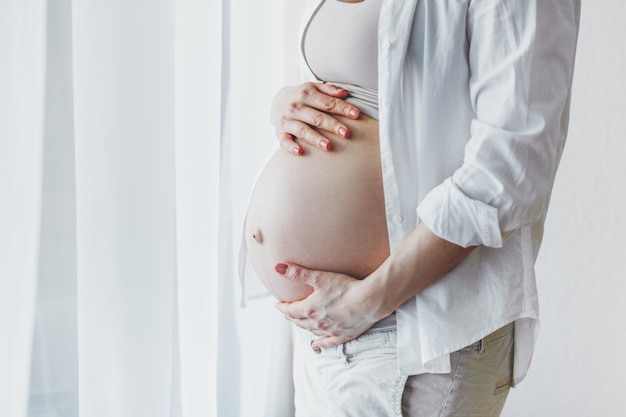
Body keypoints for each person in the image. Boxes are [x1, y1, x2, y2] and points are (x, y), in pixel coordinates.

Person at [241, 0, 581, 415]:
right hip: (331, 331)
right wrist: (287, 102)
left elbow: (513, 164)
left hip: (412, 331)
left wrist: (370, 299)